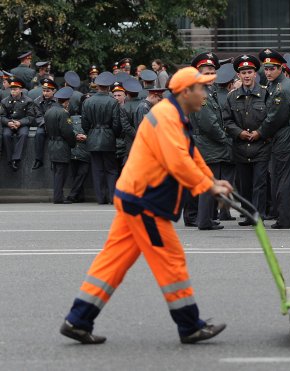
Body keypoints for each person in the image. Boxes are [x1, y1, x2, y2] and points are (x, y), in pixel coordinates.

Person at [60, 67, 230, 345]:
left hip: (135, 197)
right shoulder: (167, 118)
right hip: (144, 202)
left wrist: (212, 181)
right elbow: (178, 162)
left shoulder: (174, 115)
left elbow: (191, 155)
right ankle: (190, 326)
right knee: (171, 261)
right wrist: (208, 187)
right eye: (202, 88)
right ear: (186, 92)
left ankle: (77, 320)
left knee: (112, 262)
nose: (206, 94)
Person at [254, 48, 290, 229]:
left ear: (281, 68)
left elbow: (274, 118)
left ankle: (284, 219)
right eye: (266, 69)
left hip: (286, 134)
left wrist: (259, 133)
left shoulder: (281, 89)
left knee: (282, 178)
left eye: (272, 69)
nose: (267, 72)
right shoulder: (278, 85)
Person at [189, 52, 235, 230]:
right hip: (207, 144)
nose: (210, 76)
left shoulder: (208, 90)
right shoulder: (201, 93)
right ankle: (205, 221)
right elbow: (209, 124)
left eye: (211, 73)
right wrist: (224, 138)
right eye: (205, 73)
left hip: (208, 144)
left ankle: (207, 217)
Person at [223, 54, 271, 225]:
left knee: (260, 183)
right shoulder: (231, 96)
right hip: (241, 146)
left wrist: (260, 132)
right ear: (238, 75)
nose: (246, 75)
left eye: (249, 72)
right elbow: (226, 120)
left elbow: (270, 118)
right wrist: (239, 133)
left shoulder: (265, 93)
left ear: (255, 74)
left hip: (261, 145)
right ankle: (248, 214)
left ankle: (258, 215)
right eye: (243, 73)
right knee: (245, 184)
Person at [81, 71, 121, 204]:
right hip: (108, 137)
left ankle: (100, 198)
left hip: (93, 136)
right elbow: (116, 124)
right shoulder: (113, 102)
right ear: (109, 87)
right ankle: (112, 197)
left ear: (97, 86)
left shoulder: (87, 102)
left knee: (97, 170)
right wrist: (113, 134)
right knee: (111, 169)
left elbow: (84, 124)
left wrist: (91, 132)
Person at [44, 87, 77, 204]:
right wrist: (73, 143)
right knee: (61, 173)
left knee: (56, 172)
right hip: (61, 145)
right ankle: (58, 197)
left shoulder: (49, 111)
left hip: (52, 144)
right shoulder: (63, 113)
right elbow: (67, 132)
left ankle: (58, 195)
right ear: (66, 101)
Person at [1, 77, 35, 171]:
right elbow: (2, 116)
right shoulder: (4, 101)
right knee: (6, 135)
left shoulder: (28, 101)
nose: (13, 92)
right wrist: (8, 123)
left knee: (24, 134)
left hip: (22, 124)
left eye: (15, 89)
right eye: (11, 89)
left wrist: (20, 122)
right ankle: (10, 159)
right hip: (9, 123)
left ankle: (16, 158)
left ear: (20, 89)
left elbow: (31, 117)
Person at [32, 78, 59, 170]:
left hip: (54, 124)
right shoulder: (37, 101)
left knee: (56, 136)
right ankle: (38, 159)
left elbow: (58, 114)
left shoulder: (58, 101)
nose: (45, 93)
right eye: (44, 91)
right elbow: (38, 115)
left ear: (54, 91)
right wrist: (45, 124)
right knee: (39, 134)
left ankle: (54, 160)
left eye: (48, 91)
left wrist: (51, 125)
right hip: (43, 124)